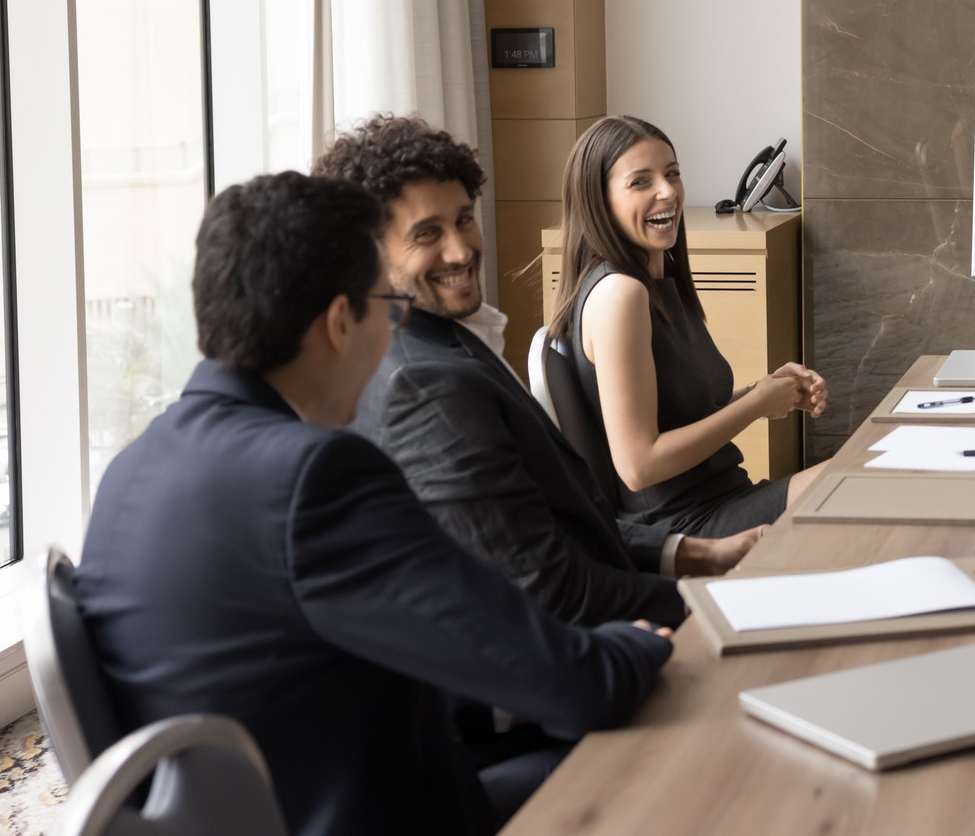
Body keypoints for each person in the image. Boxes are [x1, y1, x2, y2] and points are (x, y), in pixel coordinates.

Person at [74, 173, 674, 836]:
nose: (392, 334)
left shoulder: (130, 469)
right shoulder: (312, 477)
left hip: (275, 798)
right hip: (372, 811)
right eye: (389, 308)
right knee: (673, 745)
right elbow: (580, 687)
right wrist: (636, 646)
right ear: (340, 322)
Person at [316, 115, 759, 631]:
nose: (460, 250)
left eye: (464, 219)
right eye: (427, 233)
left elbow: (559, 517)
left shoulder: (446, 337)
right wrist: (715, 604)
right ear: (370, 250)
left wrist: (692, 553)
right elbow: (546, 591)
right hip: (599, 641)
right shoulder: (424, 385)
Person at [547, 116, 829, 537]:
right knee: (871, 477)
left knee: (876, 471)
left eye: (672, 173)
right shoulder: (620, 295)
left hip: (725, 500)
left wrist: (766, 391)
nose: (668, 191)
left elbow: (680, 412)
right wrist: (755, 405)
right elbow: (639, 466)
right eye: (640, 182)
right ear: (598, 200)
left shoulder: (657, 281)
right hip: (688, 529)